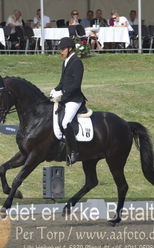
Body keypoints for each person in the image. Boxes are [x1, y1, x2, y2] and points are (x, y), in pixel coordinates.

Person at [50, 37, 86, 166]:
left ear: (70, 49)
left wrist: (63, 93)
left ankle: (74, 153)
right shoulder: (65, 62)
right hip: (65, 98)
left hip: (74, 99)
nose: (61, 51)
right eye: (60, 49)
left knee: (66, 123)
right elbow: (62, 82)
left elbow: (76, 84)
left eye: (63, 49)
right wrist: (55, 89)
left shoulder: (77, 62)